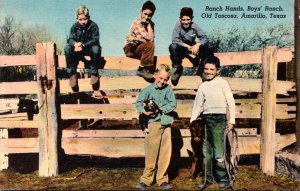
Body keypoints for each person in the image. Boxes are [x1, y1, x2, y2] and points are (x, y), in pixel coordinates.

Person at [190, 55, 236, 189]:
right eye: (206, 69)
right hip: (206, 120)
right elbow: (197, 105)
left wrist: (231, 120)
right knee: (206, 151)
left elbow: (231, 102)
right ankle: (207, 178)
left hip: (219, 120)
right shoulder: (203, 86)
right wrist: (193, 120)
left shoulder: (223, 83)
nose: (208, 72)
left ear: (218, 70)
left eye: (212, 69)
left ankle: (223, 177)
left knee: (218, 151)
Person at [135, 64, 176, 190]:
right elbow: (138, 103)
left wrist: (162, 109)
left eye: (165, 79)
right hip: (153, 124)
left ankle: (162, 179)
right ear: (155, 75)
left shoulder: (168, 89)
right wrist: (143, 111)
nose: (162, 81)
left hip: (166, 124)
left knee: (165, 153)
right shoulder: (147, 90)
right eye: (160, 78)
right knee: (151, 153)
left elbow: (173, 103)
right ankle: (146, 179)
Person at [169, 7, 213, 86]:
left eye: (188, 19)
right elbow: (175, 40)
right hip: (182, 49)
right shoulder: (177, 25)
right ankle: (177, 69)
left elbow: (204, 38)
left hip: (193, 48)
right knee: (173, 47)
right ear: (180, 19)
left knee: (209, 46)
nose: (185, 22)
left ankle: (201, 68)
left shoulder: (194, 26)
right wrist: (186, 46)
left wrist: (197, 45)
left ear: (192, 19)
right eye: (183, 20)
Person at [64, 5, 101, 92]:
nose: (83, 21)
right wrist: (75, 44)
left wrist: (83, 45)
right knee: (67, 48)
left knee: (96, 49)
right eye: (80, 19)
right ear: (77, 18)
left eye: (85, 19)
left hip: (89, 48)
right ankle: (72, 74)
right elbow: (70, 39)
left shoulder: (93, 26)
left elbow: (95, 39)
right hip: (78, 50)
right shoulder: (74, 27)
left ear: (88, 17)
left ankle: (94, 73)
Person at [123, 1, 156, 82]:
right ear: (141, 11)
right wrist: (148, 27)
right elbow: (150, 40)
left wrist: (149, 26)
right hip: (131, 48)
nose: (147, 17)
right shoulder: (138, 22)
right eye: (145, 14)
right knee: (149, 45)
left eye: (150, 15)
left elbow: (151, 40)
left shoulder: (150, 24)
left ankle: (147, 70)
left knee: (150, 45)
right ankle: (141, 69)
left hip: (141, 49)